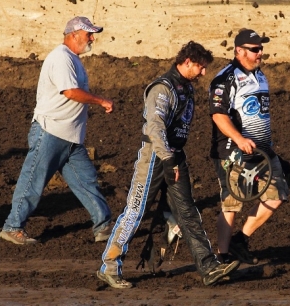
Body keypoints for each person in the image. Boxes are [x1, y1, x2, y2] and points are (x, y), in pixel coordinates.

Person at [97, 41, 240, 289]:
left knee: (187, 212)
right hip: (155, 157)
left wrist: (174, 158)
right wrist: (168, 158)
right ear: (186, 62)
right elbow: (155, 127)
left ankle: (208, 267)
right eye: (200, 67)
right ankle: (109, 267)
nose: (204, 73)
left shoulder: (186, 89)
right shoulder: (162, 89)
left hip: (175, 155)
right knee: (135, 211)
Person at [0, 16, 114, 245]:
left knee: (87, 180)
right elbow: (70, 91)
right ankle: (12, 227)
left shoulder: (74, 60)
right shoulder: (61, 58)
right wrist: (100, 101)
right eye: (88, 34)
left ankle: (104, 227)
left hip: (70, 137)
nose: (92, 38)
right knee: (33, 179)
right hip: (50, 131)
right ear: (73, 35)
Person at [208, 29, 290, 265]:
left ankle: (240, 241)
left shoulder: (261, 76)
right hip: (233, 152)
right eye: (255, 50)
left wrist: (270, 148)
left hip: (263, 151)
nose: (260, 53)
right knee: (231, 204)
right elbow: (218, 116)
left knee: (277, 195)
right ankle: (222, 258)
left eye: (261, 48)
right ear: (239, 51)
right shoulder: (225, 79)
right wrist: (240, 139)